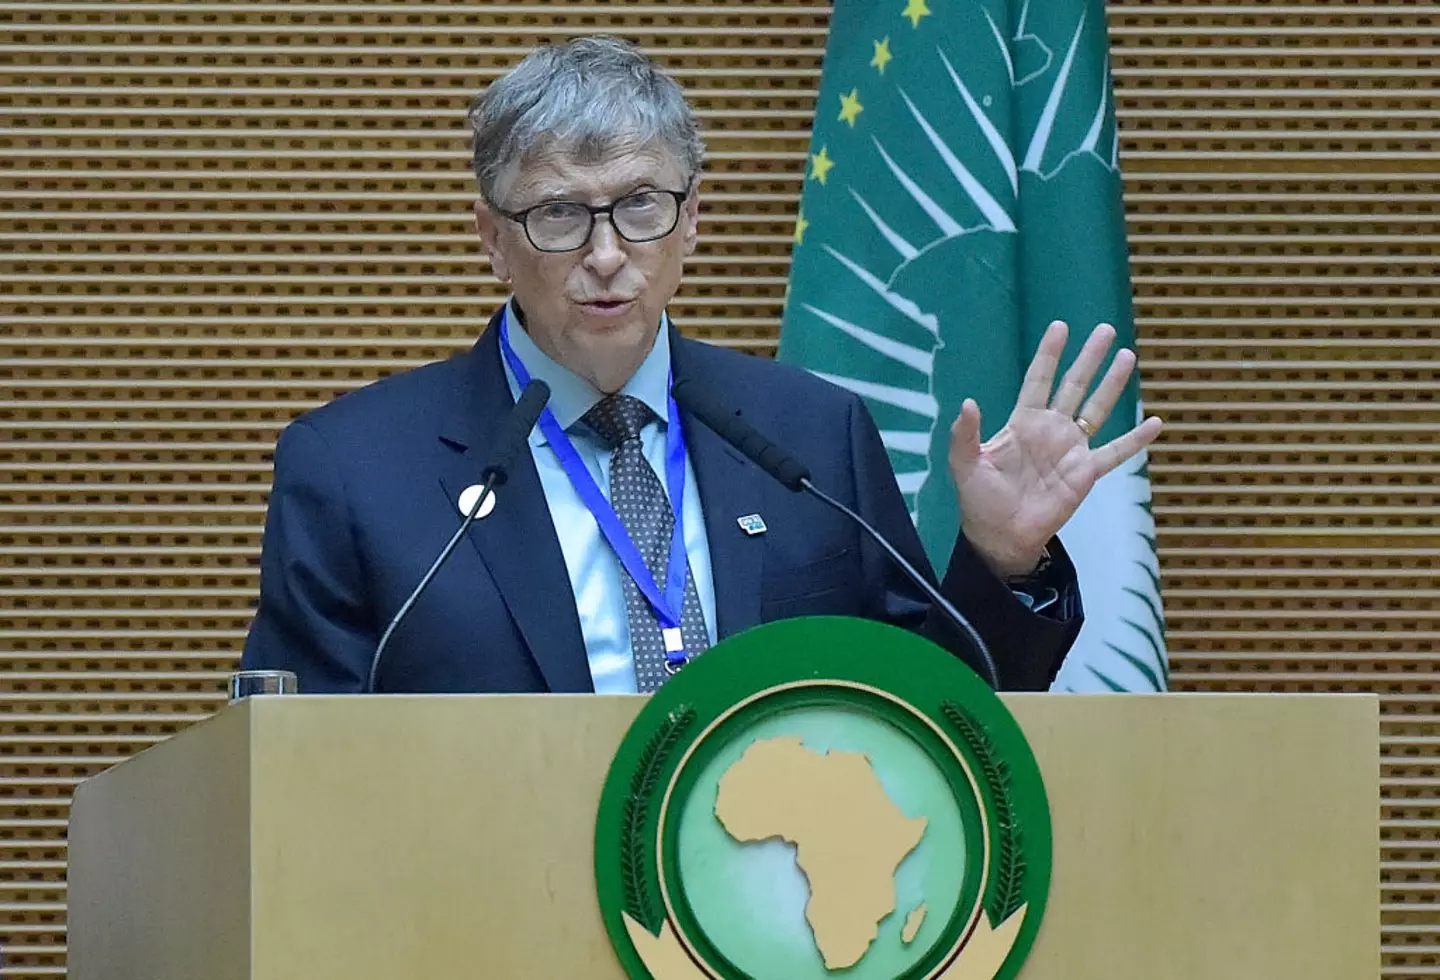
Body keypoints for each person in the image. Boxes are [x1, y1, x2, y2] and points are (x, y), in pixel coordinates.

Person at [239, 36, 1162, 694]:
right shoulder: (357, 469)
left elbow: (929, 715)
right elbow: (297, 768)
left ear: (691, 222)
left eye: (641, 205)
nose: (607, 254)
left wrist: (1003, 564)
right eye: (559, 214)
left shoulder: (811, 434)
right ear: (492, 238)